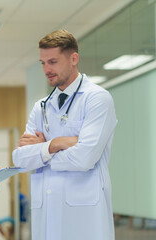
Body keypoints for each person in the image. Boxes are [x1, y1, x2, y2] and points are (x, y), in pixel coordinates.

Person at [12, 30, 117, 240]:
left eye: (52, 61)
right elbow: (20, 160)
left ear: (74, 58)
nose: (46, 69)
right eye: (42, 63)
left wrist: (41, 151)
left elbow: (84, 158)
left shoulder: (97, 99)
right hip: (46, 216)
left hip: (84, 216)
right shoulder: (41, 106)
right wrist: (55, 144)